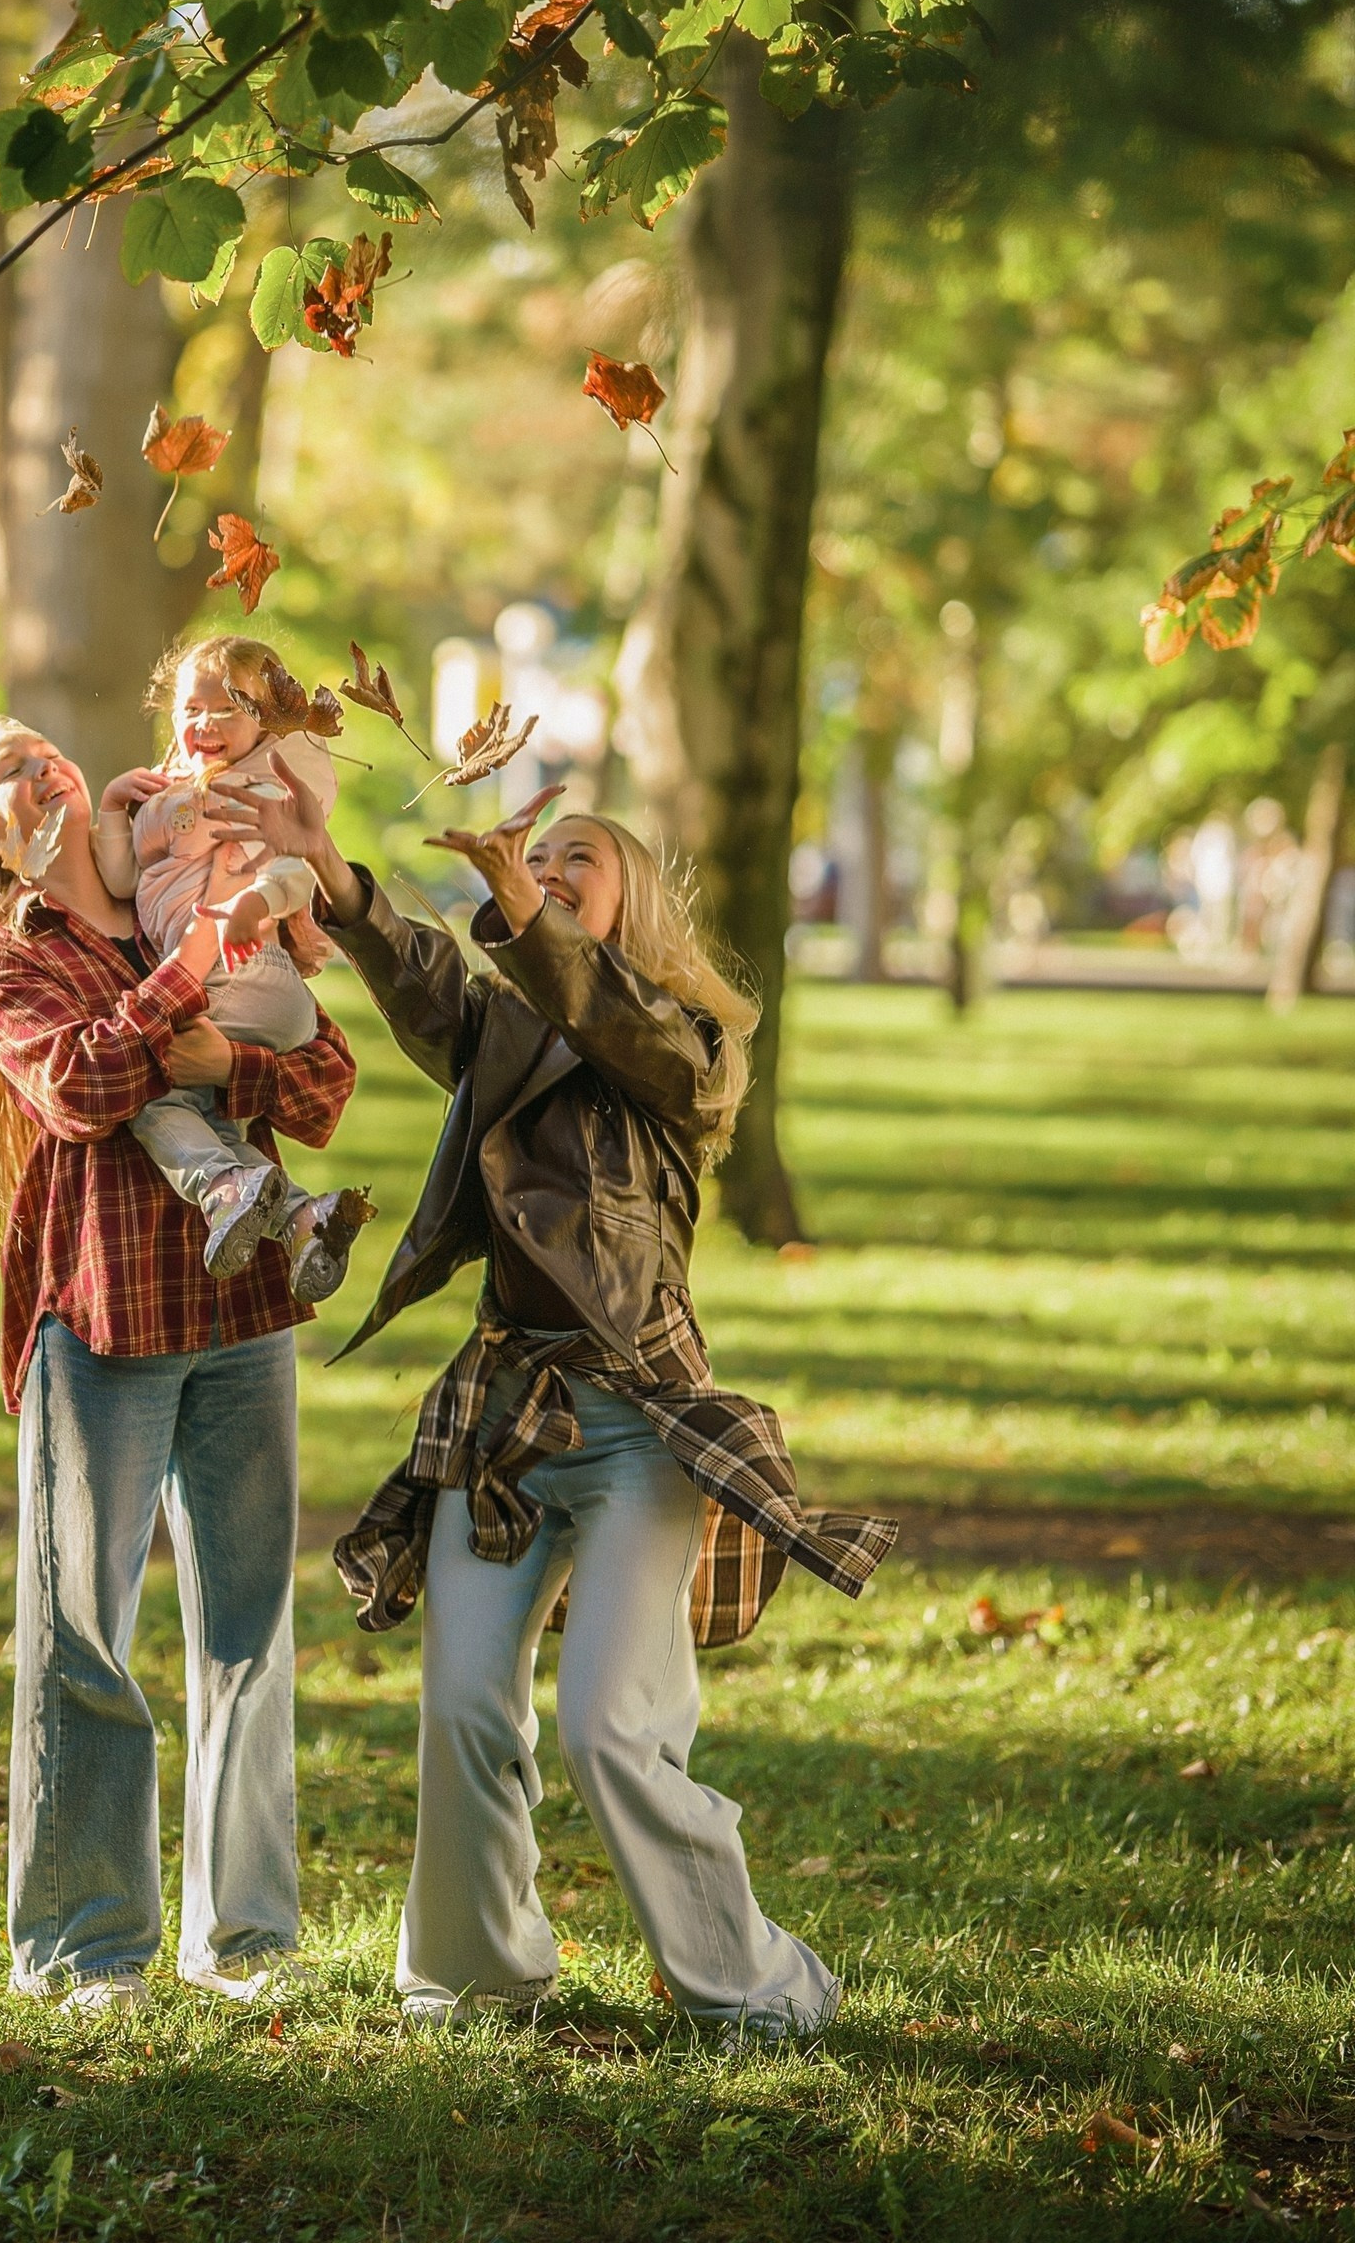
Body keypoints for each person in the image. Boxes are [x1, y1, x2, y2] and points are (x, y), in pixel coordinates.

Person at [208, 759, 898, 2035]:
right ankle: (474, 1975)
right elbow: (424, 982)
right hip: (505, 1413)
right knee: (465, 1703)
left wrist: (528, 913)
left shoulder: (693, 1047)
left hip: (642, 1424)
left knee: (608, 1726)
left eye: (583, 856)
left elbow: (612, 1019)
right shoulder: (507, 1027)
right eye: (545, 852)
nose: (552, 866)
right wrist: (343, 875)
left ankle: (757, 1984)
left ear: (631, 899)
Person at [0, 717, 356, 2015]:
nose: (44, 767)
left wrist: (231, 1045)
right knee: (80, 1636)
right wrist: (190, 984)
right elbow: (79, 1087)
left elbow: (324, 1082)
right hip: (101, 1319)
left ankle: (248, 1939)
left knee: (249, 1630)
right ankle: (88, 1948)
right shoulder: (9, 957)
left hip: (243, 1314)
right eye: (9, 771)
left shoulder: (186, 889)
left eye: (49, 752)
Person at [95, 634, 370, 1294]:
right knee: (211, 1117)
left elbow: (296, 865)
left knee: (153, 1095)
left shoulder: (264, 789)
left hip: (244, 969)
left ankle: (221, 1189)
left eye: (229, 709)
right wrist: (111, 807)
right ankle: (306, 1217)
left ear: (267, 721)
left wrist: (254, 901)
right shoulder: (172, 796)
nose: (205, 724)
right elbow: (120, 878)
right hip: (240, 989)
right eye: (192, 709)